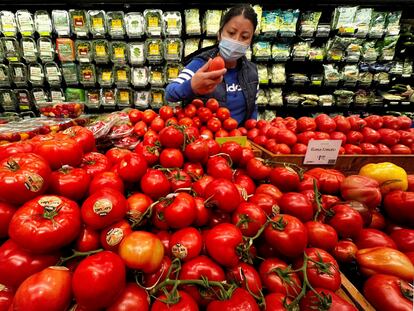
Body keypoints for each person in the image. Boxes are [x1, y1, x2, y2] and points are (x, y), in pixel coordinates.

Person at [165, 4, 258, 125]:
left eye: (244, 36)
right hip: (206, 141)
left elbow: (253, 108)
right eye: (231, 33)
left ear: (250, 40)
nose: (236, 40)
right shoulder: (200, 64)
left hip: (239, 141)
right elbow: (170, 93)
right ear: (219, 34)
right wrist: (191, 86)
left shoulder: (252, 71)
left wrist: (253, 132)